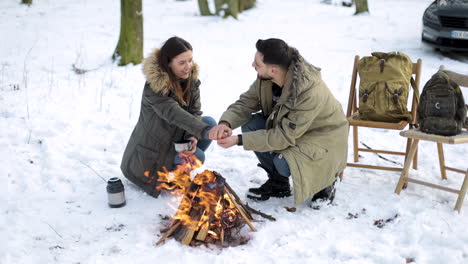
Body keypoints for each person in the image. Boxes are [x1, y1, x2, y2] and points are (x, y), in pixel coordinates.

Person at [209, 38, 348, 206]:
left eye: (257, 63)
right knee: (250, 125)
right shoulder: (266, 78)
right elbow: (246, 102)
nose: (253, 65)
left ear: (273, 70)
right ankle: (278, 184)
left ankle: (326, 181)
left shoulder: (308, 91)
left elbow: (282, 137)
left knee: (283, 162)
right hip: (293, 130)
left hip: (322, 138)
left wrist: (238, 140)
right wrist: (226, 123)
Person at [121, 36, 216, 197]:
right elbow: (174, 114)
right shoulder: (155, 88)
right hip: (150, 155)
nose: (188, 67)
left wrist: (192, 136)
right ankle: (169, 178)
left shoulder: (189, 80)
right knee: (198, 155)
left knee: (209, 122)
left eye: (190, 60)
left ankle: (179, 171)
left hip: (172, 139)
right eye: (182, 63)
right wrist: (204, 131)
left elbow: (194, 112)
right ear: (168, 63)